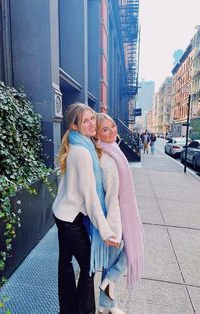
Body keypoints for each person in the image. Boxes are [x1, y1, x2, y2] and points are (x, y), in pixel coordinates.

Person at [52, 103, 117, 314]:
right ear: (75, 125)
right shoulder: (82, 152)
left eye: (92, 119)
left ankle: (68, 310)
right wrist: (106, 230)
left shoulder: (78, 144)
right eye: (86, 120)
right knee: (88, 268)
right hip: (70, 219)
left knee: (65, 263)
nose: (92, 124)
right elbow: (91, 198)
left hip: (62, 213)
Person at [95, 113, 144, 314]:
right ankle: (107, 303)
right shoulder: (108, 160)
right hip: (116, 218)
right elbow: (112, 198)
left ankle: (107, 296)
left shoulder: (114, 150)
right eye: (105, 130)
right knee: (112, 262)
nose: (112, 131)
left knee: (129, 248)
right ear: (97, 135)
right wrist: (113, 230)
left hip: (125, 214)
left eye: (113, 126)